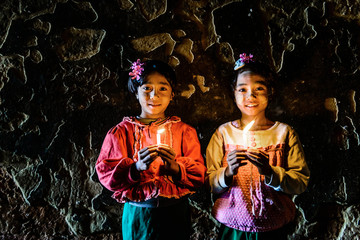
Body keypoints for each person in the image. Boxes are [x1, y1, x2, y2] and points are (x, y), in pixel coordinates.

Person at [96, 59, 206, 240]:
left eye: (162, 88)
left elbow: (199, 175)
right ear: (136, 92)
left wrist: (175, 168)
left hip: (174, 215)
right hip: (139, 217)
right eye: (146, 88)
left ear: (172, 94)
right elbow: (106, 173)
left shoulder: (184, 132)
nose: (154, 95)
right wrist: (136, 168)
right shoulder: (121, 132)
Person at [206, 53, 310, 239]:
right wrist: (228, 172)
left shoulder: (284, 133)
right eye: (242, 89)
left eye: (259, 88)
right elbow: (209, 182)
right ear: (234, 93)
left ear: (270, 92)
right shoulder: (223, 134)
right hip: (232, 226)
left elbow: (300, 182)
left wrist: (270, 172)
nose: (251, 95)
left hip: (273, 226)